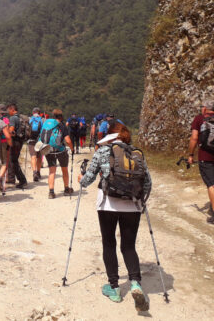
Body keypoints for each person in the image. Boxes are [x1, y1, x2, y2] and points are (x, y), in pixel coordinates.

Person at [79, 121, 151, 312]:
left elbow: (88, 179)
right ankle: (135, 284)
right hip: (132, 206)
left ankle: (114, 288)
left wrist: (81, 179)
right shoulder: (137, 153)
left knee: (109, 244)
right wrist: (141, 202)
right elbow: (147, 183)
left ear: (110, 135)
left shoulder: (103, 151)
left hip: (107, 205)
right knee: (128, 246)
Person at [42, 109, 74, 199]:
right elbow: (68, 140)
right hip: (61, 150)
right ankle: (66, 189)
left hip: (49, 150)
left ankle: (51, 192)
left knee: (52, 171)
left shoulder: (47, 124)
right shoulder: (62, 125)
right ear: (61, 116)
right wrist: (72, 149)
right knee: (64, 169)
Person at [8, 103, 28, 189]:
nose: (8, 112)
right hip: (20, 141)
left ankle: (22, 180)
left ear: (12, 110)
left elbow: (11, 131)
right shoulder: (21, 118)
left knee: (13, 161)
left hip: (15, 141)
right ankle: (19, 180)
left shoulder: (12, 118)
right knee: (14, 160)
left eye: (9, 110)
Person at [28, 107, 44, 181]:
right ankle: (38, 172)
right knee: (39, 157)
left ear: (33, 112)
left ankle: (34, 172)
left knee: (33, 156)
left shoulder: (29, 119)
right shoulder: (42, 119)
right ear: (39, 113)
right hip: (40, 140)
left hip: (31, 140)